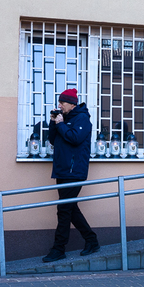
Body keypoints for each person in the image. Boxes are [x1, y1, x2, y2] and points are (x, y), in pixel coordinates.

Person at [43, 88, 99, 262]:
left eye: (62, 103)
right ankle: (91, 240)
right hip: (62, 170)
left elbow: (75, 138)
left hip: (74, 172)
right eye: (59, 102)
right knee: (70, 208)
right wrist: (54, 122)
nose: (59, 105)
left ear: (72, 104)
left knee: (64, 210)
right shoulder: (64, 119)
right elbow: (53, 140)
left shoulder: (82, 118)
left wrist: (60, 124)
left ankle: (59, 249)